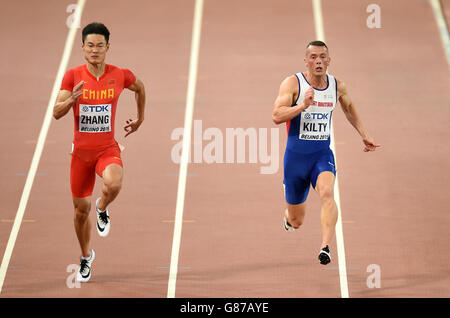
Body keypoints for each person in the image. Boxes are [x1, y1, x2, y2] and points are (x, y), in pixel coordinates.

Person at [272, 41, 379, 265]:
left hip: (321, 155)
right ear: (306, 61)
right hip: (295, 161)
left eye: (322, 57)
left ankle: (325, 247)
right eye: (313, 57)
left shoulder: (337, 86)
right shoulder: (293, 84)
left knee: (328, 193)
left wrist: (364, 134)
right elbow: (277, 116)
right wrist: (302, 106)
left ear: (329, 61)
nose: (318, 61)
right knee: (297, 220)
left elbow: (349, 108)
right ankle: (288, 218)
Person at [53, 22, 146, 281]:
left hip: (106, 149)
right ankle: (86, 256)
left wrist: (140, 118)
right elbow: (56, 113)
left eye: (100, 46)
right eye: (90, 45)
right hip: (81, 156)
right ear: (82, 47)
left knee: (114, 184)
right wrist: (72, 99)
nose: (95, 50)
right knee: (80, 213)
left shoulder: (120, 74)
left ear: (108, 47)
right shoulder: (72, 76)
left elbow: (140, 87)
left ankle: (103, 207)